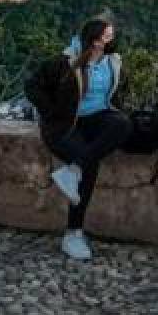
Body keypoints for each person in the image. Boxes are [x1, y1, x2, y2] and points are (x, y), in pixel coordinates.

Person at [27, 17, 132, 260]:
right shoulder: (64, 63)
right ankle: (73, 234)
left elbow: (116, 96)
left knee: (124, 124)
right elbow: (32, 85)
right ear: (96, 41)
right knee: (91, 166)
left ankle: (72, 170)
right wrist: (51, 111)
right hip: (65, 125)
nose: (112, 39)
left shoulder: (111, 62)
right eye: (108, 36)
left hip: (98, 118)